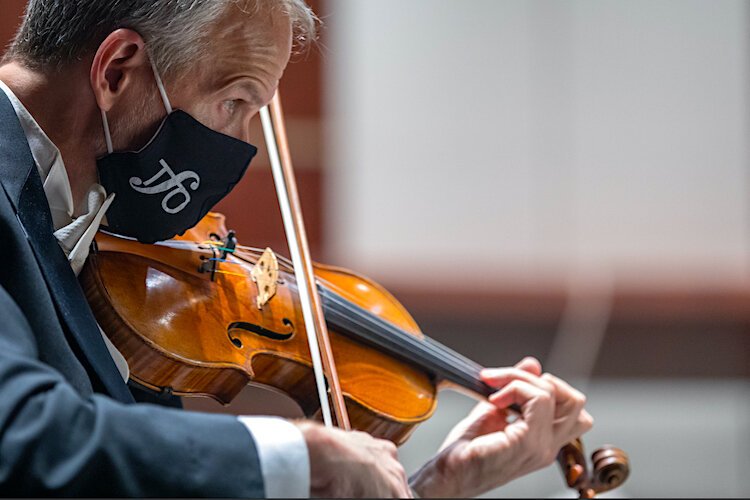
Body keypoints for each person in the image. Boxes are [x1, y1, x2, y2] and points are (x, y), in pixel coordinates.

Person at [0, 0, 593, 497]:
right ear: (117, 72)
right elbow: (24, 437)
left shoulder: (86, 231)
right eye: (235, 102)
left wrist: (437, 485)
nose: (241, 143)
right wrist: (299, 453)